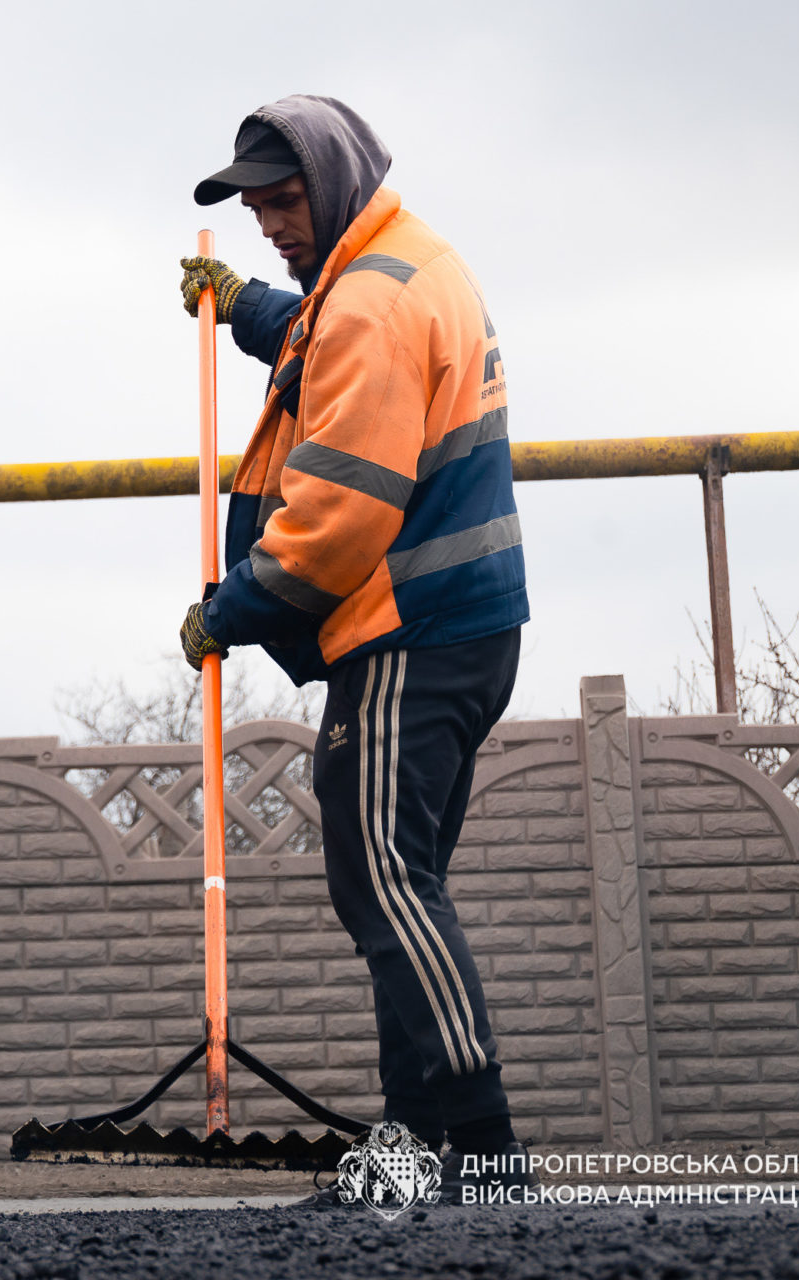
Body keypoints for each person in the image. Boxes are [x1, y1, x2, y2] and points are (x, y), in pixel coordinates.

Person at [175, 95, 535, 1205]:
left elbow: (337, 516)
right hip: (459, 629)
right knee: (400, 884)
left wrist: (228, 608)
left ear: (329, 185)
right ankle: (418, 1144)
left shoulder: (372, 302)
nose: (269, 224)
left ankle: (478, 1148)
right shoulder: (398, 263)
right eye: (253, 210)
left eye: (282, 202)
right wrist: (244, 310)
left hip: (402, 631)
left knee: (386, 883)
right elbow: (314, 333)